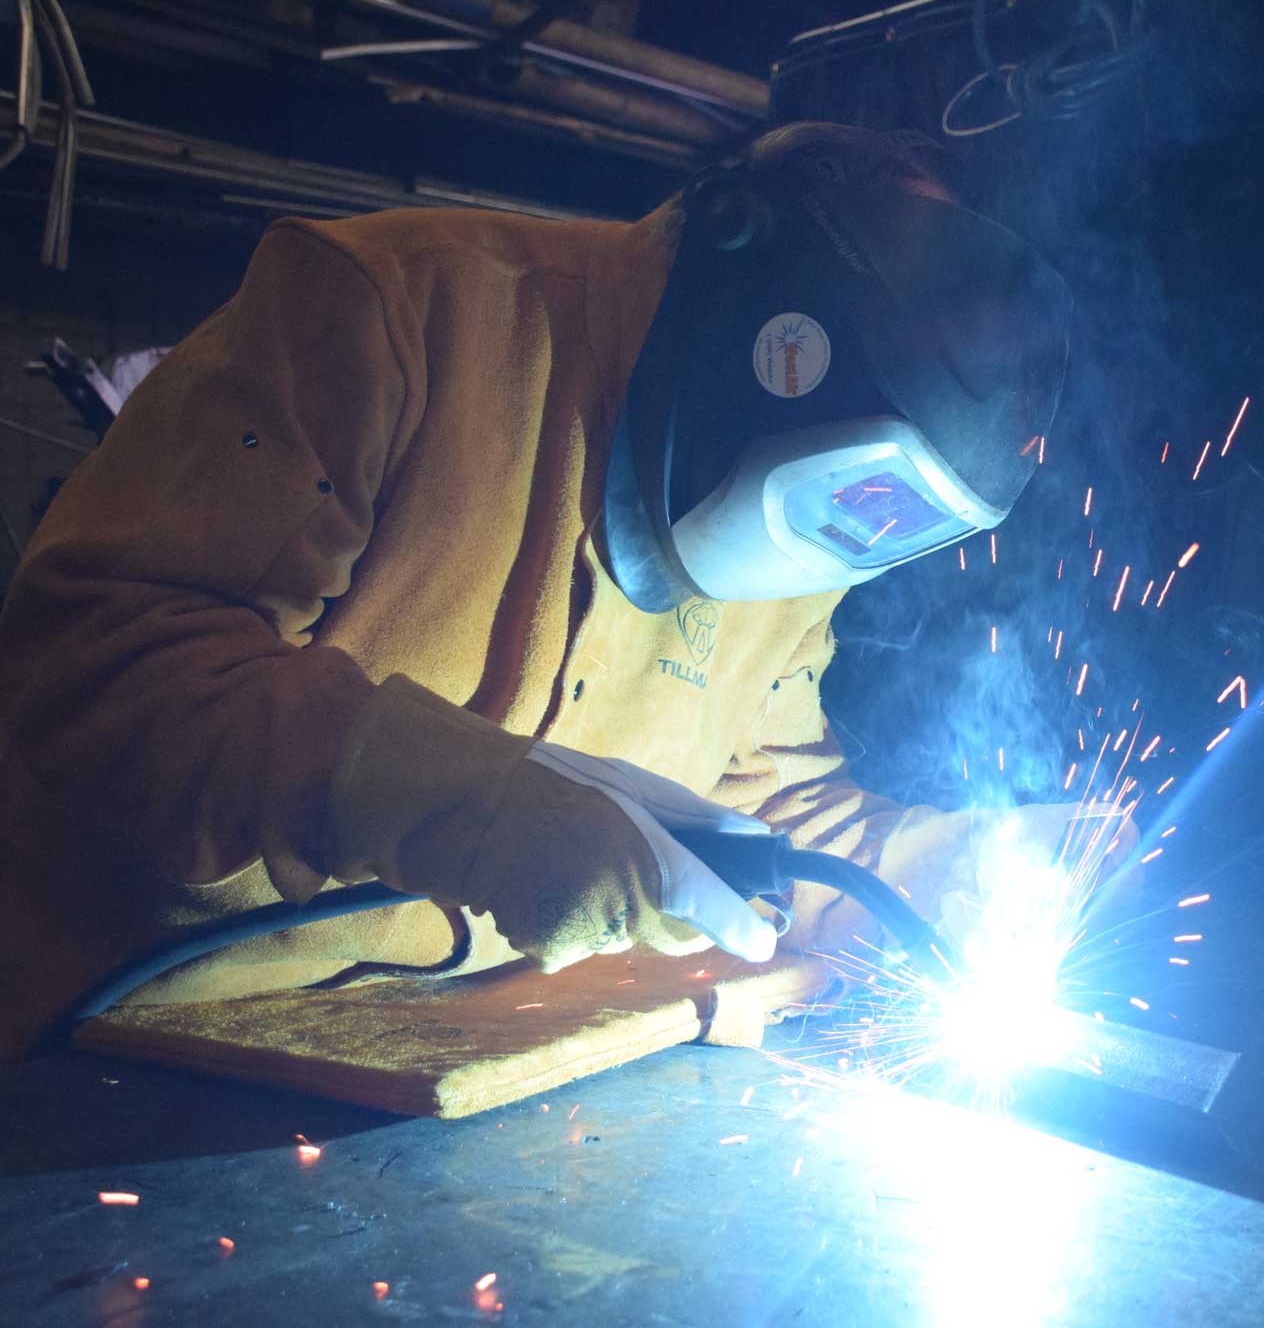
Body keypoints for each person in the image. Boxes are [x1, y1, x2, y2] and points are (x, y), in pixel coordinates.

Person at [0, 122, 1115, 1060]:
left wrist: (960, 867)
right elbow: (99, 663)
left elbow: (765, 808)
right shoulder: (396, 308)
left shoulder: (809, 533)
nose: (823, 543)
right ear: (745, 291)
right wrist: (460, 799)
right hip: (103, 1042)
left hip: (420, 1072)